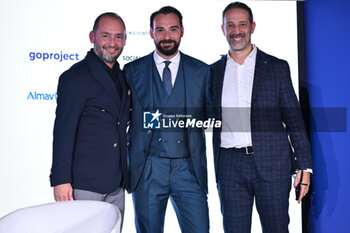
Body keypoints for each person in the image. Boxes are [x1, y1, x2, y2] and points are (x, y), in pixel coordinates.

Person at [210, 2, 312, 233]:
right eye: (231, 25)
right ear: (223, 29)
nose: (237, 31)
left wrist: (304, 166)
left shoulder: (276, 68)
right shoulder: (212, 72)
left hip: (273, 163)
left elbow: (294, 120)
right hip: (229, 166)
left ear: (252, 26)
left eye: (242, 24)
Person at [124, 6, 211, 233]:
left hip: (189, 168)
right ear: (151, 33)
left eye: (172, 30)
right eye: (160, 30)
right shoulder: (132, 70)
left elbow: (213, 117)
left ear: (182, 31)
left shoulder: (201, 71)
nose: (166, 36)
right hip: (149, 167)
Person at [50, 12, 129, 226]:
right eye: (106, 36)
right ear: (92, 36)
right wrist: (60, 180)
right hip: (83, 185)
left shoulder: (123, 77)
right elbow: (63, 132)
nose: (112, 43)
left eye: (118, 37)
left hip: (116, 184)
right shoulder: (75, 77)